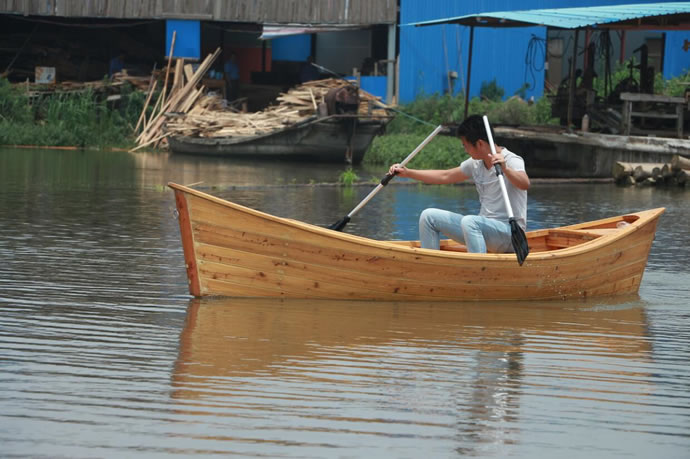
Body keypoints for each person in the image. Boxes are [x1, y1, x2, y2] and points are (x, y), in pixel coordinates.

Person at [388, 115, 530, 253]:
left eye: (466, 146)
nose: (465, 150)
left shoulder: (511, 160)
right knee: (428, 216)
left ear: (480, 144)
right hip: (483, 230)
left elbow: (525, 184)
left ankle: (478, 267)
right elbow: (445, 176)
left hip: (511, 235)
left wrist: (505, 169)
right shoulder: (475, 163)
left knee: (470, 222)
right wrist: (408, 173)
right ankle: (431, 264)